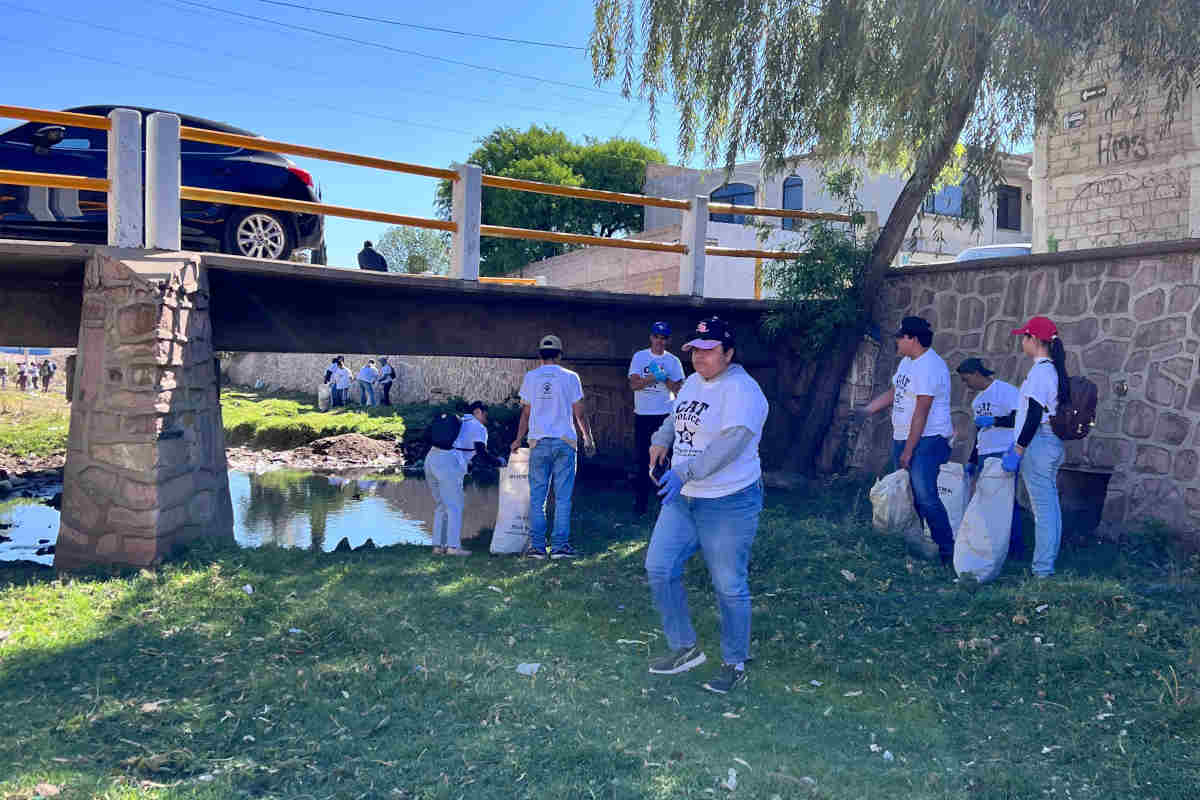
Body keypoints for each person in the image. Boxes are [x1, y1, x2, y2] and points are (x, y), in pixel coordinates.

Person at [643, 317, 768, 695]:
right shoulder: (694, 382)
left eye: (709, 350)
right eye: (695, 350)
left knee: (729, 585)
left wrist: (686, 472)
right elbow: (677, 416)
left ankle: (734, 662)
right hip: (685, 499)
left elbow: (731, 443)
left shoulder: (743, 391)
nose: (699, 357)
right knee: (659, 567)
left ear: (728, 353)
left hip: (729, 501)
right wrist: (661, 439)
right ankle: (684, 648)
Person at [862, 316, 955, 564]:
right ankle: (920, 546)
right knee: (909, 493)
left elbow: (921, 412)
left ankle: (947, 551)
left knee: (925, 495)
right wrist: (867, 410)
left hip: (928, 439)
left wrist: (908, 450)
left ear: (912, 339)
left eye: (900, 337)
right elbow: (896, 392)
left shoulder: (930, 367)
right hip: (903, 436)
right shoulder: (907, 362)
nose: (897, 342)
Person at [511, 334, 596, 560]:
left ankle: (537, 547)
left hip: (538, 442)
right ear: (559, 354)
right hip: (564, 443)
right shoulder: (571, 377)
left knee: (537, 498)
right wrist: (588, 437)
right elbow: (579, 411)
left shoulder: (530, 377)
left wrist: (518, 439)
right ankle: (559, 547)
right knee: (563, 498)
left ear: (540, 355)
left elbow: (526, 413)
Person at [1005, 317, 1069, 578]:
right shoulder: (1052, 370)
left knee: (1044, 510)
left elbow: (1033, 415)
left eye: (1024, 337)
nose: (1022, 342)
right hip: (1048, 442)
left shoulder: (1041, 372)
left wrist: (1018, 449)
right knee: (1049, 508)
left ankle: (1042, 571)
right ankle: (1045, 566)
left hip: (1038, 443)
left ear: (1034, 340)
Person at [957, 357, 1024, 558]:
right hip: (985, 453)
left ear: (977, 374)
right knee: (988, 499)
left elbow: (1021, 418)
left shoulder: (1005, 391)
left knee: (1005, 499)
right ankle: (993, 543)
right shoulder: (977, 401)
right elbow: (980, 434)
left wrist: (995, 420)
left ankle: (1015, 547)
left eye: (966, 379)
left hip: (1004, 451)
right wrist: (972, 459)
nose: (966, 384)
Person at [426, 401, 505, 556]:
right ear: (477, 412)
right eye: (485, 414)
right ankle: (453, 548)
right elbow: (481, 453)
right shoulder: (478, 427)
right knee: (454, 506)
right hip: (448, 462)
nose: (486, 419)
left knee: (442, 505)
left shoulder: (459, 421)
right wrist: (499, 462)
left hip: (431, 458)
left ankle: (438, 546)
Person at [628, 321, 685, 514]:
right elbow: (634, 384)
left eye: (663, 338)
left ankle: (665, 502)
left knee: (664, 459)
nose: (659, 341)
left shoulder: (673, 361)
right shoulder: (640, 357)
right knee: (643, 459)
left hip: (665, 416)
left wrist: (665, 378)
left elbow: (680, 390)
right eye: (656, 337)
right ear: (651, 337)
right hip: (643, 415)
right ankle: (640, 503)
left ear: (668, 340)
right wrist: (653, 377)